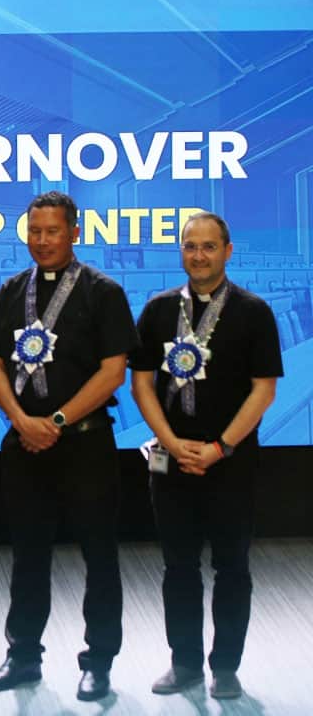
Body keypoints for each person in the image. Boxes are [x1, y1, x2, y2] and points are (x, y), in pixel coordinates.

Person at [0, 191, 138, 702]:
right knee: (27, 555)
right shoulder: (10, 290)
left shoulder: (103, 291)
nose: (42, 241)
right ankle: (23, 655)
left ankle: (99, 662)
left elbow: (114, 371)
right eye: (35, 231)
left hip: (87, 445)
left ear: (75, 232)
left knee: (99, 554)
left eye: (53, 231)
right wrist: (23, 420)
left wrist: (60, 420)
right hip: (24, 445)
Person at [129, 212, 281, 700]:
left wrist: (219, 448)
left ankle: (227, 667)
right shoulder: (156, 310)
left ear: (228, 251)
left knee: (232, 567)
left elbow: (263, 390)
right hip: (171, 460)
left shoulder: (253, 312)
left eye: (209, 246)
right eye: (190, 246)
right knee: (178, 567)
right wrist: (171, 443)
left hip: (230, 461)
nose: (199, 255)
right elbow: (142, 383)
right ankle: (186, 663)